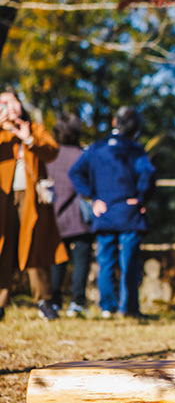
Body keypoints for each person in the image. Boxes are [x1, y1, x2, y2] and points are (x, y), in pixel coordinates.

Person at [69, 106, 156, 319]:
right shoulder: (135, 150)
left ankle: (107, 306)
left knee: (105, 261)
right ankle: (129, 308)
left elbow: (75, 173)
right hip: (129, 212)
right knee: (129, 261)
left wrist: (93, 198)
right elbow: (148, 175)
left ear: (114, 122)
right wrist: (142, 198)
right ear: (136, 130)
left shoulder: (96, 148)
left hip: (104, 212)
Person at [0, 91, 64, 321]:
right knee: (2, 246)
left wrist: (28, 139)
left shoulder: (35, 129)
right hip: (3, 197)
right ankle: (0, 301)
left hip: (31, 197)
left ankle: (44, 300)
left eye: (12, 101)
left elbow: (52, 151)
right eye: (3, 103)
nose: (9, 106)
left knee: (34, 245)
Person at [49, 113, 92, 318]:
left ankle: (54, 300)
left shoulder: (50, 154)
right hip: (79, 218)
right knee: (82, 259)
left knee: (57, 260)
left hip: (54, 216)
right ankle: (77, 301)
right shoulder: (83, 155)